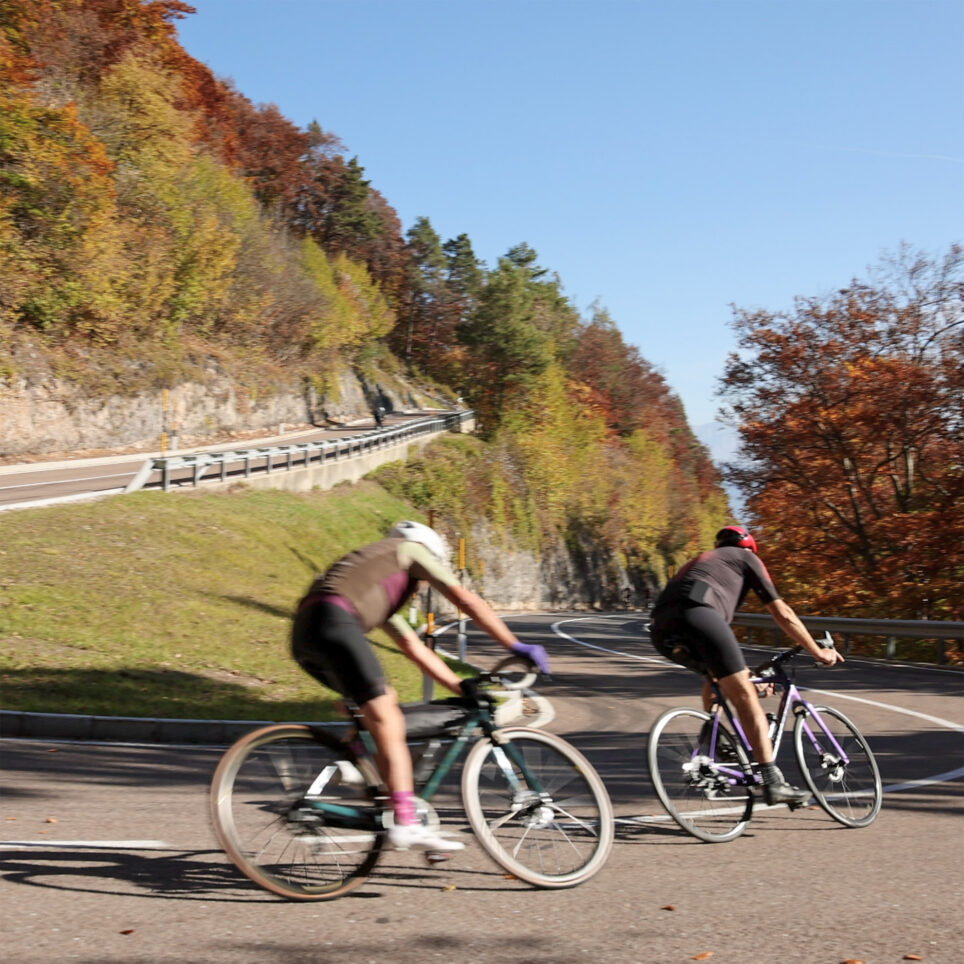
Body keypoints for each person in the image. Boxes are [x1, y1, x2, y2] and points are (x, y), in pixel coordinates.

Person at [291, 520, 551, 851]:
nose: (424, 585)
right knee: (389, 716)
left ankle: (358, 765)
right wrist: (515, 646)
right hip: (334, 622)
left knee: (377, 704)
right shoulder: (410, 550)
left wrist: (460, 686)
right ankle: (405, 820)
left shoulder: (373, 584)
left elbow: (414, 647)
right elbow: (465, 600)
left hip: (305, 633)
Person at [648, 524, 844, 807]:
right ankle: (771, 780)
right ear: (749, 547)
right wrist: (817, 651)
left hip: (660, 627)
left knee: (718, 680)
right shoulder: (746, 558)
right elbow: (782, 613)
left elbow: (720, 655)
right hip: (697, 613)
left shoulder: (707, 563)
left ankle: (714, 741)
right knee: (744, 693)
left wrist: (745, 675)